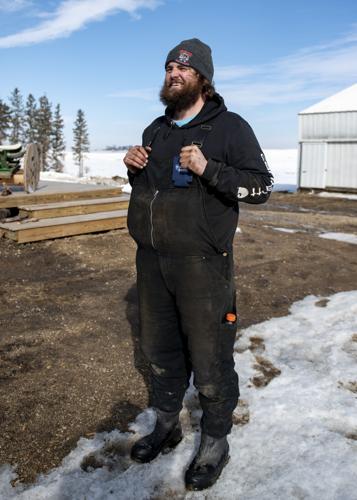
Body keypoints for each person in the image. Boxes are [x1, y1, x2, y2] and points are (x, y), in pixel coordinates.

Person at [124, 38, 273, 491]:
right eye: (170, 67)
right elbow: (155, 191)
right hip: (152, 263)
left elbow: (262, 187)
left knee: (210, 360)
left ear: (202, 78)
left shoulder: (230, 127)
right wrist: (134, 168)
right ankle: (167, 424)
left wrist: (211, 169)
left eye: (184, 69)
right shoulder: (157, 129)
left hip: (204, 268)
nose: (174, 74)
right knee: (161, 353)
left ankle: (214, 441)